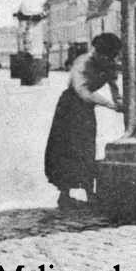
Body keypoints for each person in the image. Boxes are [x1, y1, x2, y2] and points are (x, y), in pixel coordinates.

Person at [44, 33, 123, 209]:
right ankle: (64, 194)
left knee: (87, 147)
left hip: (86, 111)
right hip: (70, 107)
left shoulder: (108, 63)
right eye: (103, 54)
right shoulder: (83, 62)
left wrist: (120, 102)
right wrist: (110, 105)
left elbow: (114, 86)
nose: (105, 58)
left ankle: (89, 191)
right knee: (66, 148)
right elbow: (83, 91)